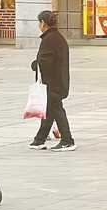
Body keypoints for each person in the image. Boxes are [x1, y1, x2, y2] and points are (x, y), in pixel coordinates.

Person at [28, 11, 76, 151]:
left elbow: (45, 62)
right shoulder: (56, 37)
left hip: (53, 83)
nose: (39, 25)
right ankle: (39, 140)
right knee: (49, 111)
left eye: (39, 22)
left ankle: (67, 140)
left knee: (56, 109)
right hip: (57, 81)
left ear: (43, 23)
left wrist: (35, 64)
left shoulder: (50, 39)